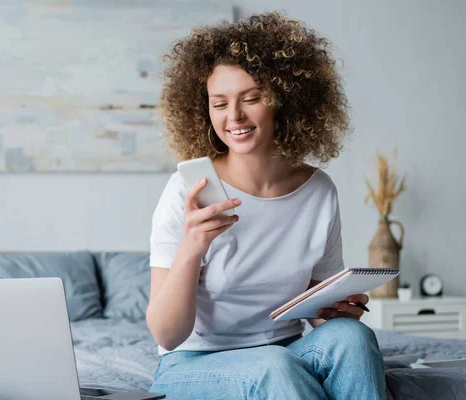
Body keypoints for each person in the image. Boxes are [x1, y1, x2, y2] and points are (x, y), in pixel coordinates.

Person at [145, 11, 386, 400]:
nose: (234, 116)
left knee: (351, 338)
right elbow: (167, 335)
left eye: (251, 98)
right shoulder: (187, 191)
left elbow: (313, 310)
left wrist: (335, 310)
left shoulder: (318, 191)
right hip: (191, 364)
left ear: (285, 102)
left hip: (283, 351)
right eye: (219, 103)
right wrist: (192, 248)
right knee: (275, 367)